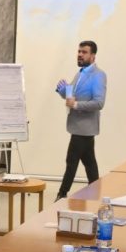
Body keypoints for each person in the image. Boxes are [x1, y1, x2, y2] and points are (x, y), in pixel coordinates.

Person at [54, 40, 107, 200]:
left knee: (71, 162)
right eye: (79, 51)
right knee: (90, 163)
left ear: (93, 56)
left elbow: (99, 103)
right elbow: (71, 96)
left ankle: (61, 195)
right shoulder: (80, 73)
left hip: (84, 129)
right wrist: (63, 91)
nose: (80, 55)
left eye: (84, 52)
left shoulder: (98, 75)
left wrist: (76, 104)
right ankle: (96, 194)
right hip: (78, 127)